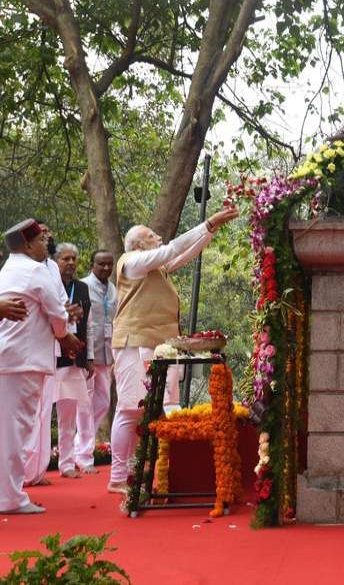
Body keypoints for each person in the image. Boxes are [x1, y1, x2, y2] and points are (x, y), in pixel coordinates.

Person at [108, 208, 239, 493]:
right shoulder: (132, 262)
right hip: (133, 344)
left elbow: (184, 254)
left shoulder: (155, 268)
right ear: (140, 245)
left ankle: (150, 471)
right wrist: (208, 221)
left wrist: (210, 231)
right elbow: (172, 250)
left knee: (163, 407)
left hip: (158, 346)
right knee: (130, 410)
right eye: (152, 235)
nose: (159, 237)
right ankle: (118, 477)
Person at [0, 219, 82, 514]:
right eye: (41, 240)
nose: (46, 244)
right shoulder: (35, 271)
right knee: (17, 431)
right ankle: (10, 498)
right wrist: (66, 335)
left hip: (10, 359)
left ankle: (7, 494)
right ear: (27, 245)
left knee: (7, 430)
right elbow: (58, 317)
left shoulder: (7, 270)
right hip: (23, 361)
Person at [52, 243, 93, 479]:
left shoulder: (82, 288)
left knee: (72, 412)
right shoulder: (49, 286)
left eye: (74, 259)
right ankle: (32, 466)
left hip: (74, 357)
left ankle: (67, 464)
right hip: (52, 357)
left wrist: (88, 357)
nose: (70, 263)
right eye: (65, 259)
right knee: (44, 413)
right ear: (55, 262)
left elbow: (88, 325)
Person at [79, 249, 116, 474]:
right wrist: (85, 357)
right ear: (92, 264)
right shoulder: (83, 286)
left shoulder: (113, 290)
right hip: (88, 356)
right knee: (84, 405)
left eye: (109, 264)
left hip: (108, 355)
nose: (106, 268)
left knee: (102, 403)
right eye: (101, 264)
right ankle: (83, 457)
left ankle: (82, 448)